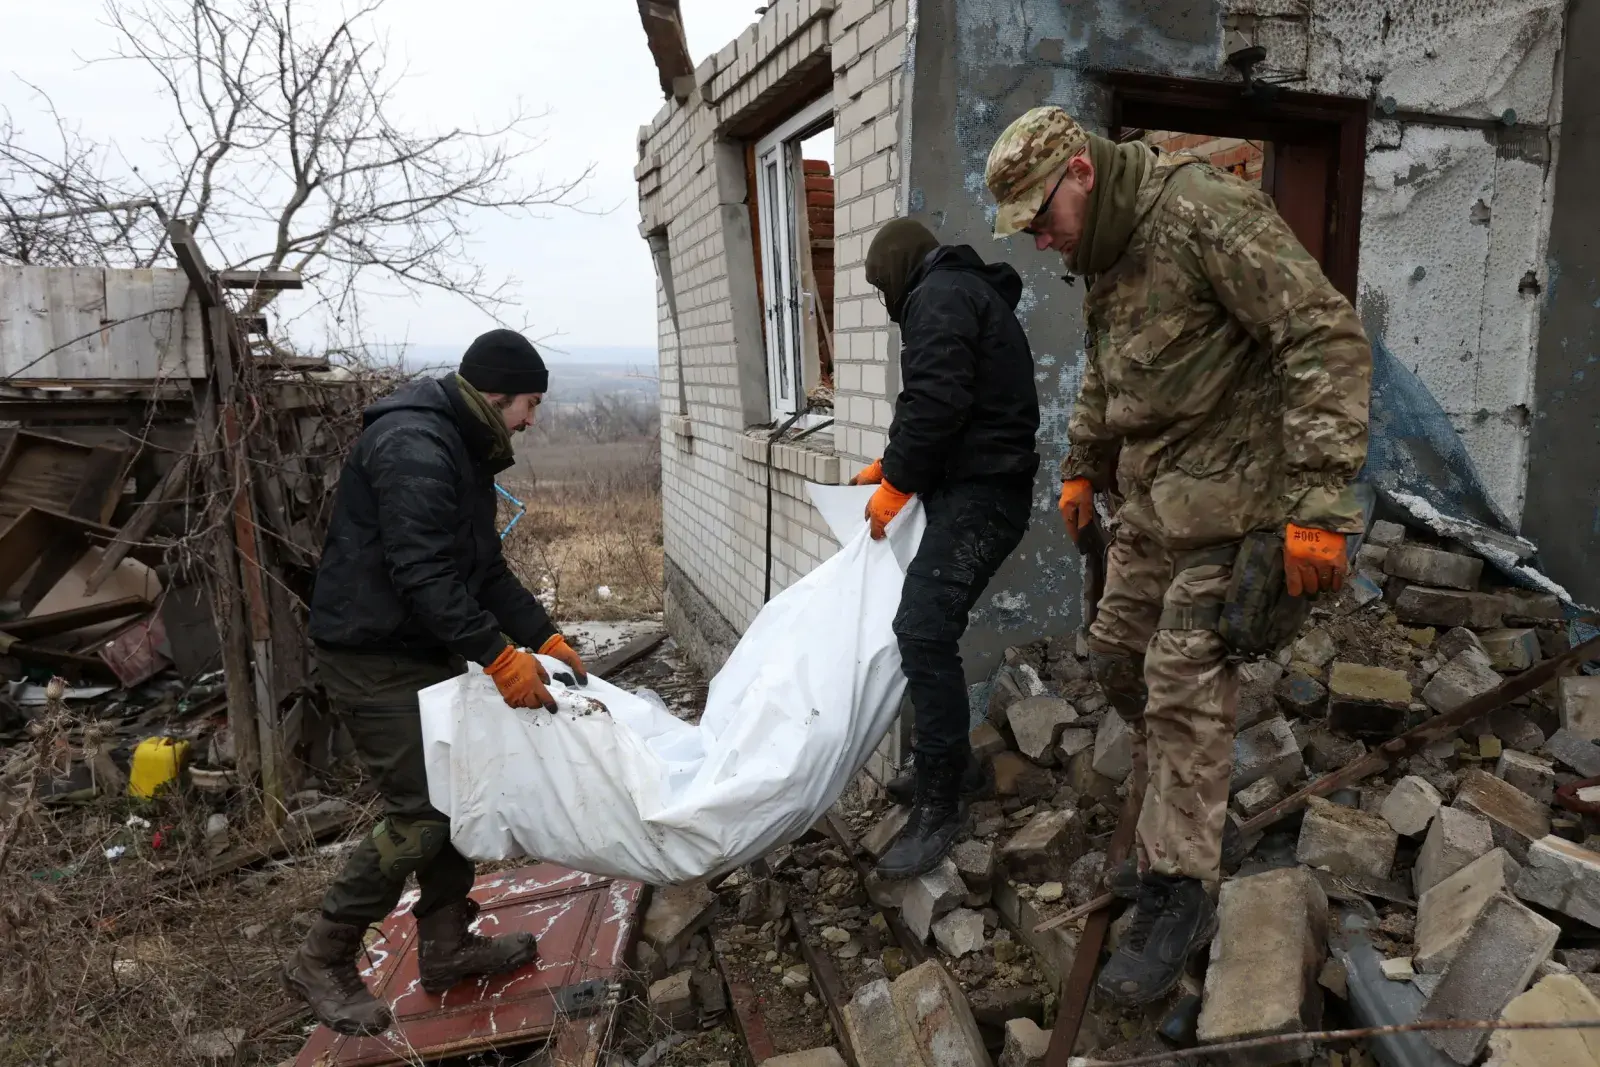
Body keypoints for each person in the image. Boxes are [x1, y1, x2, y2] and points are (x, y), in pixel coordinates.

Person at [985, 107, 1371, 1005]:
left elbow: (1323, 336)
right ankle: (1175, 823)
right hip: (1158, 505)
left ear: (1080, 169)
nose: (1039, 241)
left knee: (1184, 684)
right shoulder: (1106, 249)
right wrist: (1083, 468)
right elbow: (1107, 372)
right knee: (1119, 658)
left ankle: (1179, 891)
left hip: (1240, 507)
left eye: (1041, 217)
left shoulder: (1203, 215)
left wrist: (1318, 509)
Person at [281, 328, 588, 1035]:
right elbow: (422, 573)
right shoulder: (415, 445)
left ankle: (446, 945)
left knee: (457, 793)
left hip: (416, 647)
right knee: (422, 813)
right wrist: (498, 656)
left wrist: (541, 636)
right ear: (495, 393)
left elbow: (482, 571)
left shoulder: (461, 445)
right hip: (370, 653)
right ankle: (321, 958)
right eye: (529, 404)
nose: (532, 421)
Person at [849, 218, 1040, 880]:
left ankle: (941, 801)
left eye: (881, 289)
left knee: (923, 628)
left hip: (984, 497)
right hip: (979, 490)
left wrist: (900, 481)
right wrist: (890, 462)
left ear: (902, 269)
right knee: (927, 627)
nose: (884, 302)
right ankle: (955, 765)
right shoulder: (954, 293)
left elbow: (937, 398)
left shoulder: (939, 297)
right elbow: (930, 397)